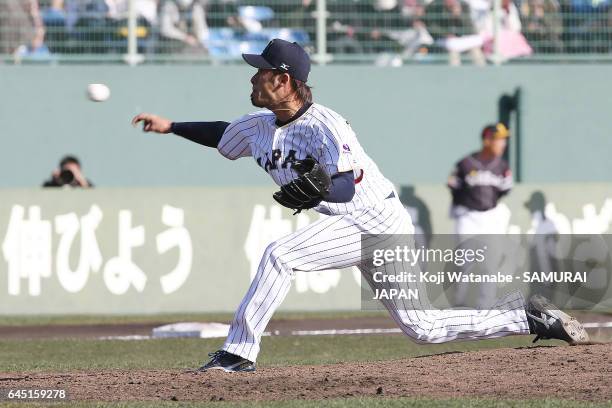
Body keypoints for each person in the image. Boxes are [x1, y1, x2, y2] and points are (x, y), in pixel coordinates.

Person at [132, 39, 588, 373]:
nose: (252, 76)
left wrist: (317, 192)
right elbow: (221, 133)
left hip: (371, 219)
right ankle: (526, 315)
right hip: (363, 223)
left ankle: (238, 353)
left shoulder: (327, 126)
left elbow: (347, 188)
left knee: (279, 254)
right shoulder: (258, 125)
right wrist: (171, 126)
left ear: (283, 79)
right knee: (423, 328)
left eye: (260, 70)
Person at [447, 123, 512, 308]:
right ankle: (458, 307)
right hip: (468, 217)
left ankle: (486, 309)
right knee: (463, 264)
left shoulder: (502, 166)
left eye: (504, 140)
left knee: (489, 265)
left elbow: (504, 190)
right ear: (487, 140)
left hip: (491, 217)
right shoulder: (465, 163)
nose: (503, 144)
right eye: (500, 140)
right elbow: (453, 187)